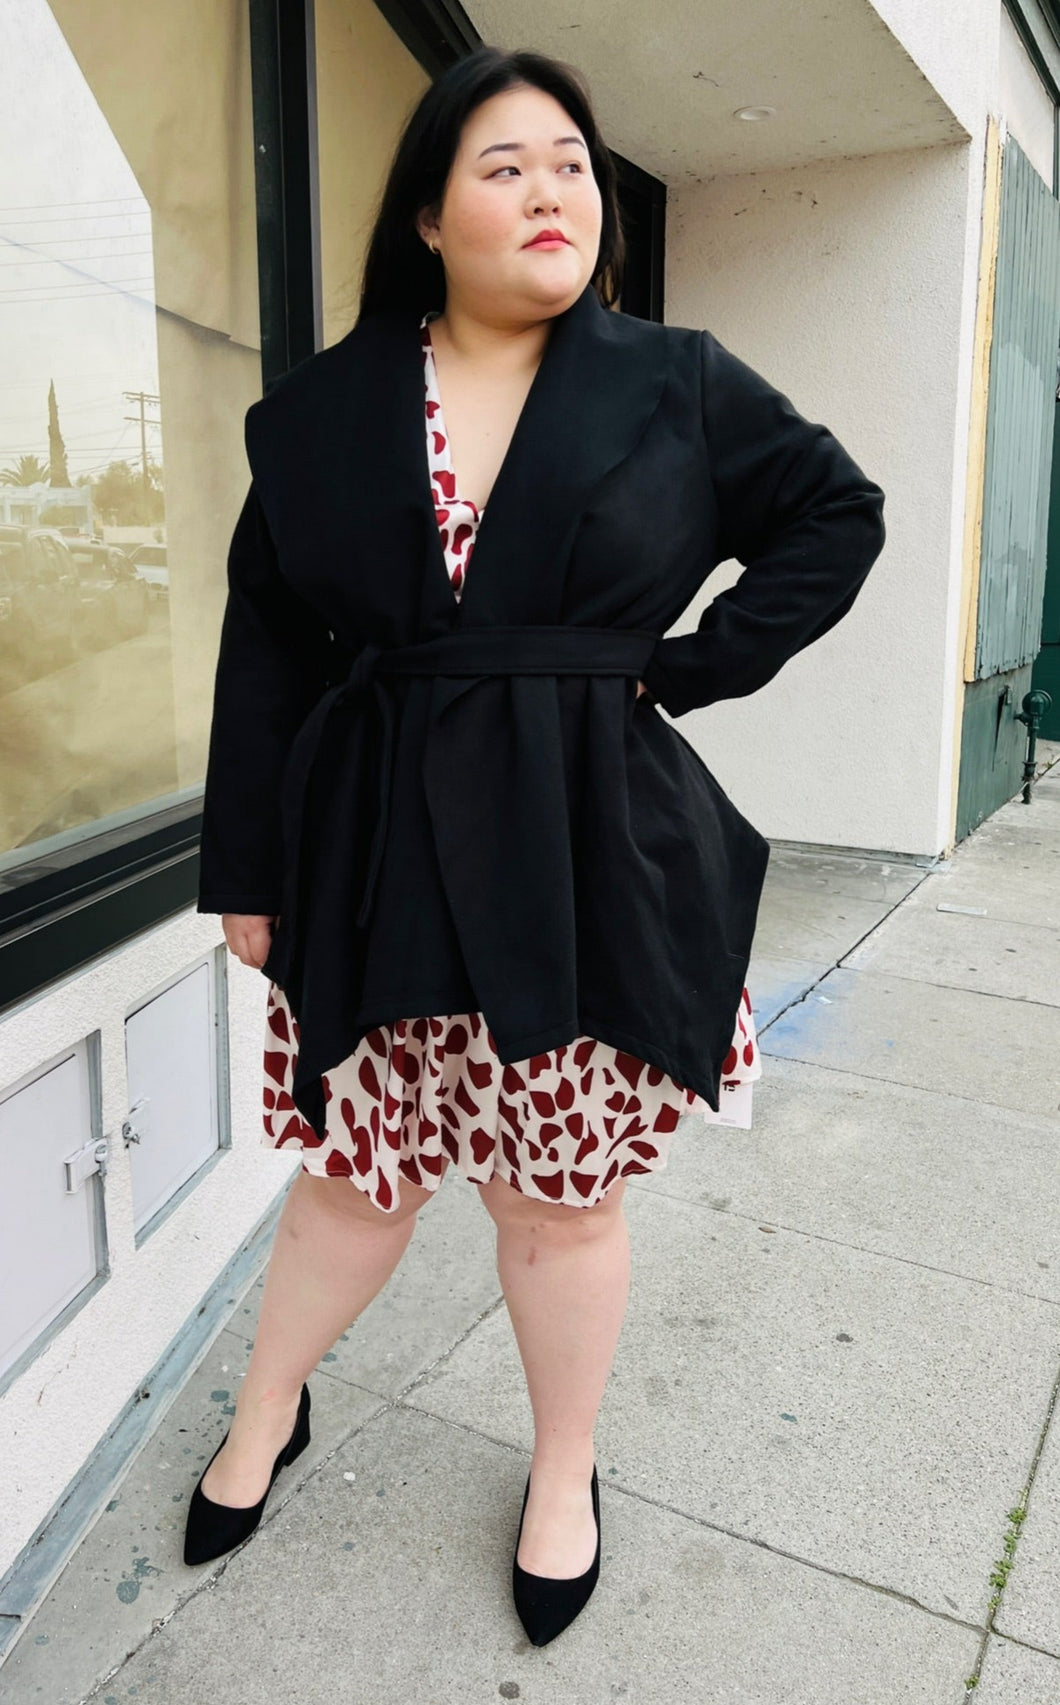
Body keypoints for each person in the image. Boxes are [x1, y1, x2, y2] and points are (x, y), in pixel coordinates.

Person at [186, 45, 886, 1648]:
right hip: (370, 847)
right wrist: (246, 864)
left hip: (576, 846)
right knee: (355, 1180)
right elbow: (270, 646)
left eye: (571, 161)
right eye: (504, 164)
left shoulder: (674, 380)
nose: (552, 188)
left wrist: (682, 667)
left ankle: (563, 1466)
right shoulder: (318, 416)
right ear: (427, 214)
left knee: (556, 1199)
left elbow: (832, 515)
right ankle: (266, 1410)